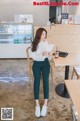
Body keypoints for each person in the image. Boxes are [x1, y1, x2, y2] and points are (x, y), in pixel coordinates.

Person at [29, 28, 55, 117]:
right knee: (36, 81)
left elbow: (48, 57)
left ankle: (45, 104)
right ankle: (37, 104)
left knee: (46, 80)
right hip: (36, 63)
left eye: (45, 34)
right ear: (39, 34)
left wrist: (49, 54)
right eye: (43, 34)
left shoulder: (46, 42)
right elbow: (32, 56)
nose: (45, 36)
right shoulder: (34, 44)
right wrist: (41, 54)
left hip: (45, 63)